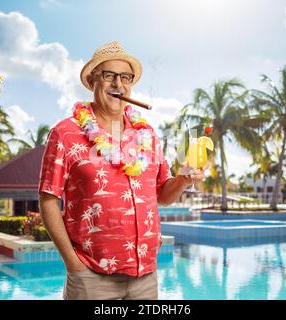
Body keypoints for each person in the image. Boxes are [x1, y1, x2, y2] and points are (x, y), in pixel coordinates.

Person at [38, 41, 206, 300]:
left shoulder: (146, 134)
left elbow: (162, 194)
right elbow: (48, 199)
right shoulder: (65, 133)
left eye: (125, 77)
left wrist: (183, 179)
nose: (118, 84)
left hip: (145, 277)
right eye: (109, 76)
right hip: (91, 277)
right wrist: (73, 264)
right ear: (93, 80)